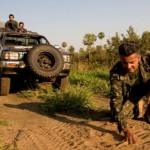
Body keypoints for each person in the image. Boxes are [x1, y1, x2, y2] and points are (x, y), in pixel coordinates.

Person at [110, 41, 150, 144]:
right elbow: (116, 102)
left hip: (146, 91)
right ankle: (140, 109)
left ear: (139, 58)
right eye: (124, 62)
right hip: (131, 99)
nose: (128, 66)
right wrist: (126, 129)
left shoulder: (148, 60)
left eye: (132, 62)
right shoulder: (115, 73)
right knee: (117, 117)